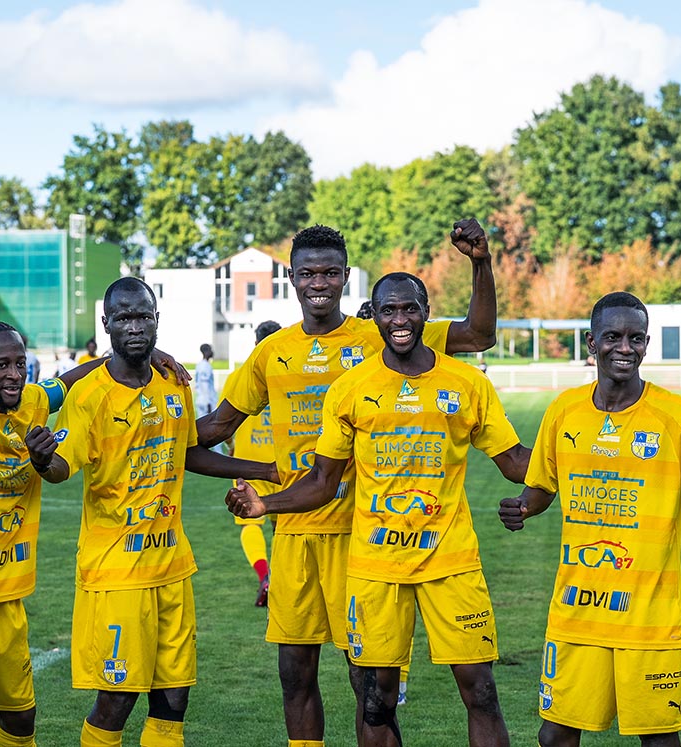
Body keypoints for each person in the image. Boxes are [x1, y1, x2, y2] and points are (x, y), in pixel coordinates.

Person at [197, 219, 499, 746]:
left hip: (362, 538)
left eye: (330, 273)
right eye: (308, 273)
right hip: (295, 531)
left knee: (371, 687)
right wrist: (149, 403)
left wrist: (479, 262)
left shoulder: (379, 330)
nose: (319, 283)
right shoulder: (271, 352)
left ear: (345, 276)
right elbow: (216, 428)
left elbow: (478, 334)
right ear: (292, 278)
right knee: (294, 675)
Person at [0, 245, 187, 746]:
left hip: (8, 597)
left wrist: (141, 352)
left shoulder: (31, 402)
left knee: (21, 719)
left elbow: (71, 380)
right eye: (0, 365)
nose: (13, 374)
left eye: (19, 363)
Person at [498, 291, 681, 747]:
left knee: (658, 740)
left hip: (649, 617)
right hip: (577, 611)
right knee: (554, 735)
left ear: (646, 344)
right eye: (613, 337)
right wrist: (523, 506)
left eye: (636, 338)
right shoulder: (564, 410)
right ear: (591, 342)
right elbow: (542, 485)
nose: (625, 347)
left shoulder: (677, 417)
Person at [27, 277, 277, 747]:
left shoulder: (173, 382)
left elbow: (187, 450)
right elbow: (62, 467)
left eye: (143, 316)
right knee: (117, 700)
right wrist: (42, 460)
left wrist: (265, 469)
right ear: (107, 324)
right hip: (116, 573)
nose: (134, 326)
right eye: (123, 318)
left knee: (174, 697)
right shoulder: (89, 395)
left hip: (173, 567)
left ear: (157, 319)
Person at [227, 320, 281, 607]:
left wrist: (232, 448)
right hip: (283, 461)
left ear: (256, 342)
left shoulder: (237, 376)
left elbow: (224, 423)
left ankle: (265, 576)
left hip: (247, 461)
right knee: (283, 523)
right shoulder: (289, 374)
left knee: (251, 522)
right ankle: (282, 581)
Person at [194, 343, 217, 418]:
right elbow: (204, 384)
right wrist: (208, 402)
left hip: (200, 399)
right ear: (207, 351)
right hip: (206, 402)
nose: (212, 352)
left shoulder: (199, 365)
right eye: (211, 350)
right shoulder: (205, 366)